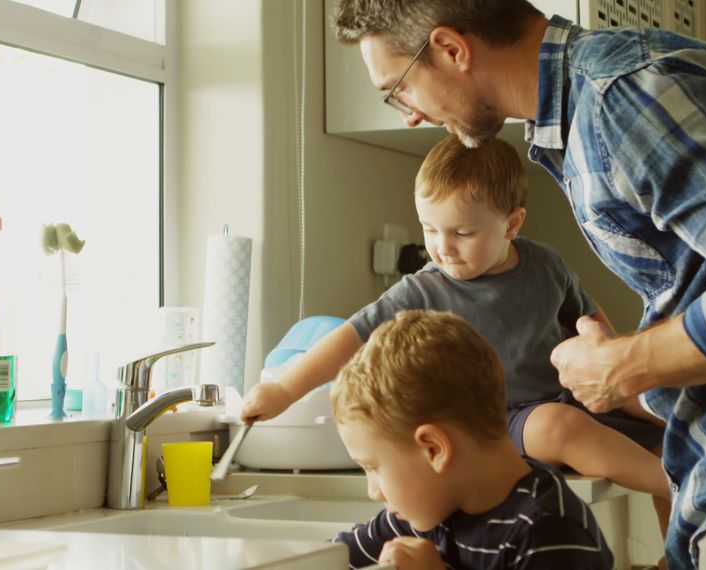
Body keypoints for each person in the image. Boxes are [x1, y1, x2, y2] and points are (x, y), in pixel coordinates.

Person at [330, 1, 706, 569]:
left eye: (399, 87)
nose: (409, 115)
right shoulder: (591, 112)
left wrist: (622, 365)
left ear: (451, 49)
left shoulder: (624, 97)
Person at [243, 136, 669, 501]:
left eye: (462, 233)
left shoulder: (546, 265)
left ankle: (679, 555)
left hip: (564, 396)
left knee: (667, 414)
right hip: (490, 424)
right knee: (560, 426)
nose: (442, 247)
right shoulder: (423, 289)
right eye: (430, 230)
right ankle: (684, 489)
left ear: (512, 224)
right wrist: (283, 389)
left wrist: (615, 361)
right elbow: (351, 336)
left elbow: (589, 318)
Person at [330, 309, 614, 569]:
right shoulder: (428, 507)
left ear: (433, 449)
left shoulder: (547, 533)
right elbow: (329, 558)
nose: (374, 491)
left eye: (373, 467)